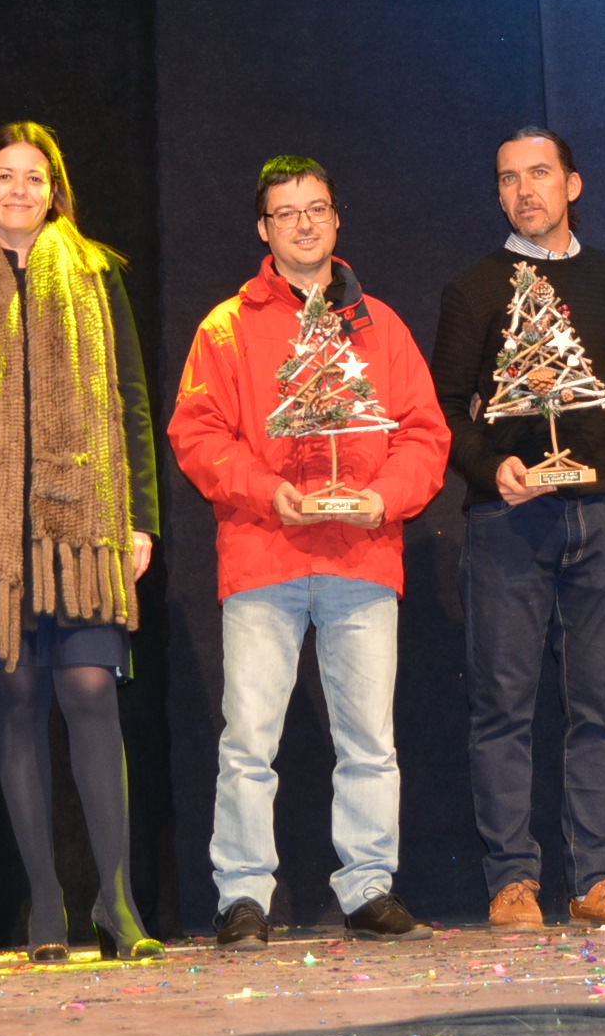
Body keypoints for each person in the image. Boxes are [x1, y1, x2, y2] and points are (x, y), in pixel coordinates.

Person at [169, 156, 449, 948]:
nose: (303, 223)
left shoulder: (380, 326)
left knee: (369, 740)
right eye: (286, 212)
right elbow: (196, 434)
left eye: (316, 208)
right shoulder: (227, 327)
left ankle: (367, 888)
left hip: (362, 557)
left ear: (336, 219)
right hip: (265, 556)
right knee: (249, 741)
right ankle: (243, 895)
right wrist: (267, 490)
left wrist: (381, 498)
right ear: (263, 229)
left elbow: (425, 434)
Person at [0, 125, 161, 963]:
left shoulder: (98, 273)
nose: (19, 191)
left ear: (54, 190)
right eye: (3, 177)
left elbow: (132, 397)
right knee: (17, 703)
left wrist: (141, 518)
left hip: (83, 526)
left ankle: (118, 901)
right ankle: (46, 906)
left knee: (91, 689)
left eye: (35, 177)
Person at [429, 128, 605, 930]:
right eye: (508, 179)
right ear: (498, 196)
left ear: (573, 184)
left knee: (600, 706)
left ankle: (597, 878)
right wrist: (493, 470)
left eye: (539, 174)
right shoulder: (475, 288)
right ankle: (513, 880)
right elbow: (446, 409)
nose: (524, 190)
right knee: (504, 707)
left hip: (604, 516)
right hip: (508, 526)